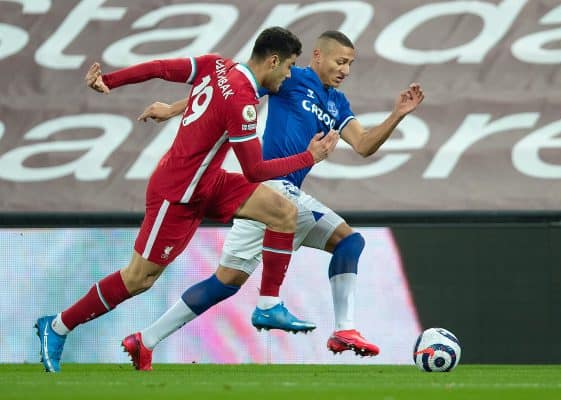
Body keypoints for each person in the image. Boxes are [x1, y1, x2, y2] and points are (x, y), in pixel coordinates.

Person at [34, 26, 340, 373]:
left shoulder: (217, 66)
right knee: (139, 279)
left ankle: (269, 303)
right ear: (272, 61)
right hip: (177, 193)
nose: (288, 76)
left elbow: (161, 67)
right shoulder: (242, 101)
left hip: (210, 181)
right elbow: (255, 170)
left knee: (283, 212)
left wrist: (113, 81)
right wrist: (308, 158)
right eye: (287, 67)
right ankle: (57, 326)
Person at [126, 30, 424, 370]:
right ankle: (338, 327)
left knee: (228, 281)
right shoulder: (291, 76)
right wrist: (173, 108)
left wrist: (398, 114)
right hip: (270, 189)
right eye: (340, 61)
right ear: (317, 57)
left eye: (350, 64)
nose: (346, 70)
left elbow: (365, 145)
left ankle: (144, 340)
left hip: (281, 194)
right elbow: (233, 92)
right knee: (346, 242)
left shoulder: (337, 103)